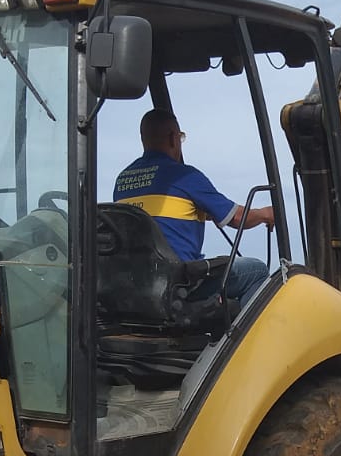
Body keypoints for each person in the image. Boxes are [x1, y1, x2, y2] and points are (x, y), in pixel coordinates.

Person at [114, 109, 274, 307]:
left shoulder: (122, 181)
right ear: (173, 138)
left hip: (137, 284)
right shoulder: (185, 176)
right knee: (256, 270)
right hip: (179, 284)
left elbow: (155, 218)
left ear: (143, 139)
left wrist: (199, 212)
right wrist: (266, 214)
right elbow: (237, 218)